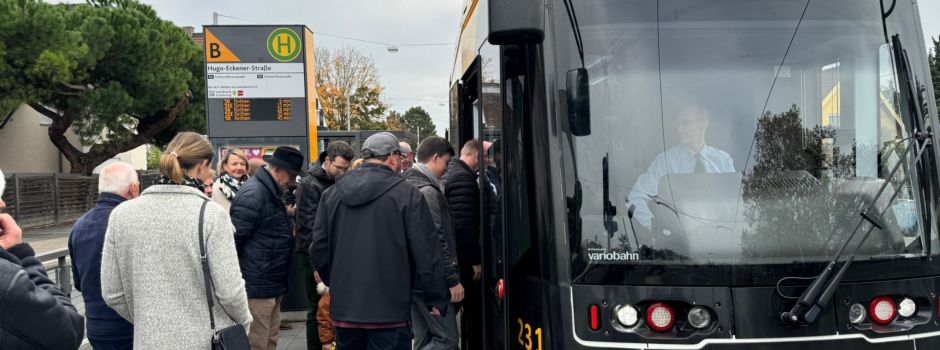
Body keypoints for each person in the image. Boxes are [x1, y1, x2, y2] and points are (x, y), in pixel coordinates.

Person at [101, 132, 252, 349]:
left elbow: (112, 293)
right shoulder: (212, 215)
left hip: (149, 341)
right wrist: (243, 324)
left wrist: (151, 323)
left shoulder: (121, 214)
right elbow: (230, 292)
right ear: (202, 165)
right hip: (204, 340)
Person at [311, 132, 448, 350]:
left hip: (346, 309)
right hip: (390, 309)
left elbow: (319, 247)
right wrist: (435, 296)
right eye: (400, 157)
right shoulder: (407, 194)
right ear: (392, 157)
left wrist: (335, 282)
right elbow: (426, 250)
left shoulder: (332, 194)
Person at [0, 169, 85, 349]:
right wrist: (20, 253)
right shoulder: (6, 280)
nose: (2, 203)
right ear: (132, 189)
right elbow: (69, 331)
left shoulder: (82, 224)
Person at [230, 146, 304, 350]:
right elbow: (234, 241)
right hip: (258, 284)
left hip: (270, 281)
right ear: (278, 170)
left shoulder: (269, 190)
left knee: (269, 339)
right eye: (291, 175)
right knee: (258, 342)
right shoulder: (255, 193)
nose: (292, 181)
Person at [626, 105, 735, 229]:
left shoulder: (723, 160)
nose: (679, 129)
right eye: (677, 124)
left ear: (703, 123)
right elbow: (635, 198)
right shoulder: (665, 161)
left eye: (685, 123)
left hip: (721, 237)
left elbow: (736, 204)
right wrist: (656, 228)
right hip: (678, 239)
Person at [69, 162, 140, 349]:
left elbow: (78, 282)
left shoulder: (79, 226)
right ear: (133, 189)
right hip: (130, 325)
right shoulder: (132, 223)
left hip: (96, 326)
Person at [405, 136, 463, 350]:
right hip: (431, 281)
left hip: (415, 279)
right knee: (447, 340)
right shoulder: (427, 192)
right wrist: (452, 280)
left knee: (423, 339)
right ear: (436, 158)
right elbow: (438, 239)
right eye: (447, 162)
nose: (447, 169)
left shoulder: (408, 185)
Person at [295, 141, 354, 350]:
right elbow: (307, 229)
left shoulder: (338, 181)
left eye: (346, 169)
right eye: (339, 168)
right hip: (312, 256)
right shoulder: (310, 185)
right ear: (327, 160)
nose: (342, 173)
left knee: (331, 307)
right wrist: (316, 266)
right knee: (317, 309)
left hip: (333, 254)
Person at [441, 139, 483, 350]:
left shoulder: (451, 173)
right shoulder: (464, 179)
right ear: (477, 156)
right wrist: (475, 261)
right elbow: (464, 225)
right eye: (485, 157)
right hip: (461, 261)